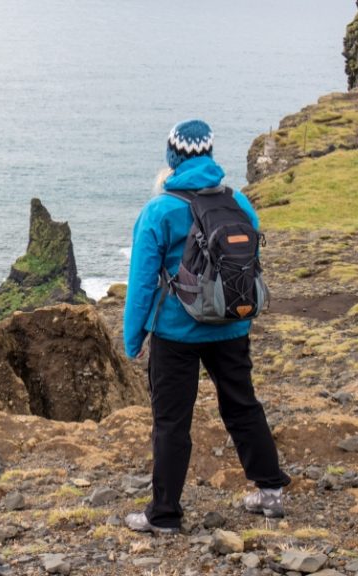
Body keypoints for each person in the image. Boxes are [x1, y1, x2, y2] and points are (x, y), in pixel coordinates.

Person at [122, 119, 290, 534]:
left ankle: (164, 514)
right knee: (242, 405)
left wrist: (133, 338)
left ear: (172, 157)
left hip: (176, 334)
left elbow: (142, 282)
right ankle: (270, 493)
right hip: (232, 326)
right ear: (211, 155)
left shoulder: (160, 209)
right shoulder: (239, 202)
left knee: (172, 422)